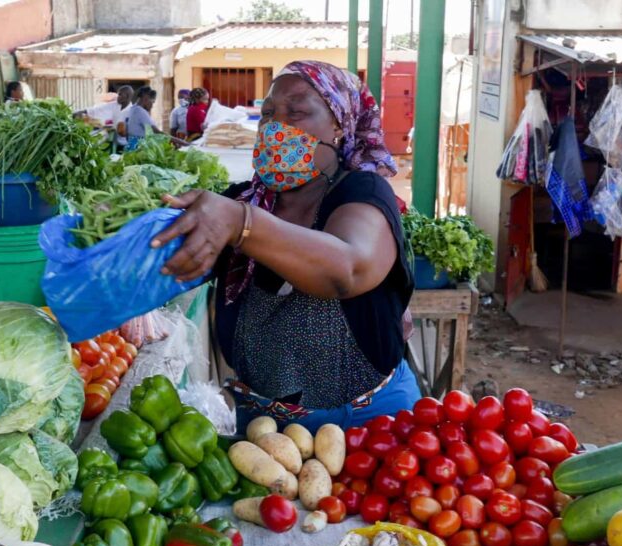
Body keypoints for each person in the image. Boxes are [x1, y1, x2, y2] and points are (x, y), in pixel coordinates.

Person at [150, 60, 417, 432]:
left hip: (370, 427)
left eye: (297, 112)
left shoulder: (362, 191)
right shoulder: (244, 199)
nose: (276, 126)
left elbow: (347, 269)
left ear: (338, 125)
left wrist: (243, 224)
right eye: (268, 114)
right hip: (265, 430)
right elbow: (169, 256)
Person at [124, 86, 188, 151]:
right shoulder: (140, 111)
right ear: (146, 98)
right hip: (137, 147)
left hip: (130, 145)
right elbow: (157, 132)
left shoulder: (132, 109)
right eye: (152, 102)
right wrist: (182, 142)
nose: (152, 106)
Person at [78, 86, 134, 152]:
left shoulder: (132, 111)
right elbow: (98, 109)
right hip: (111, 136)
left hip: (125, 141)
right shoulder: (114, 105)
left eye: (120, 95)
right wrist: (84, 111)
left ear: (127, 97)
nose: (117, 97)